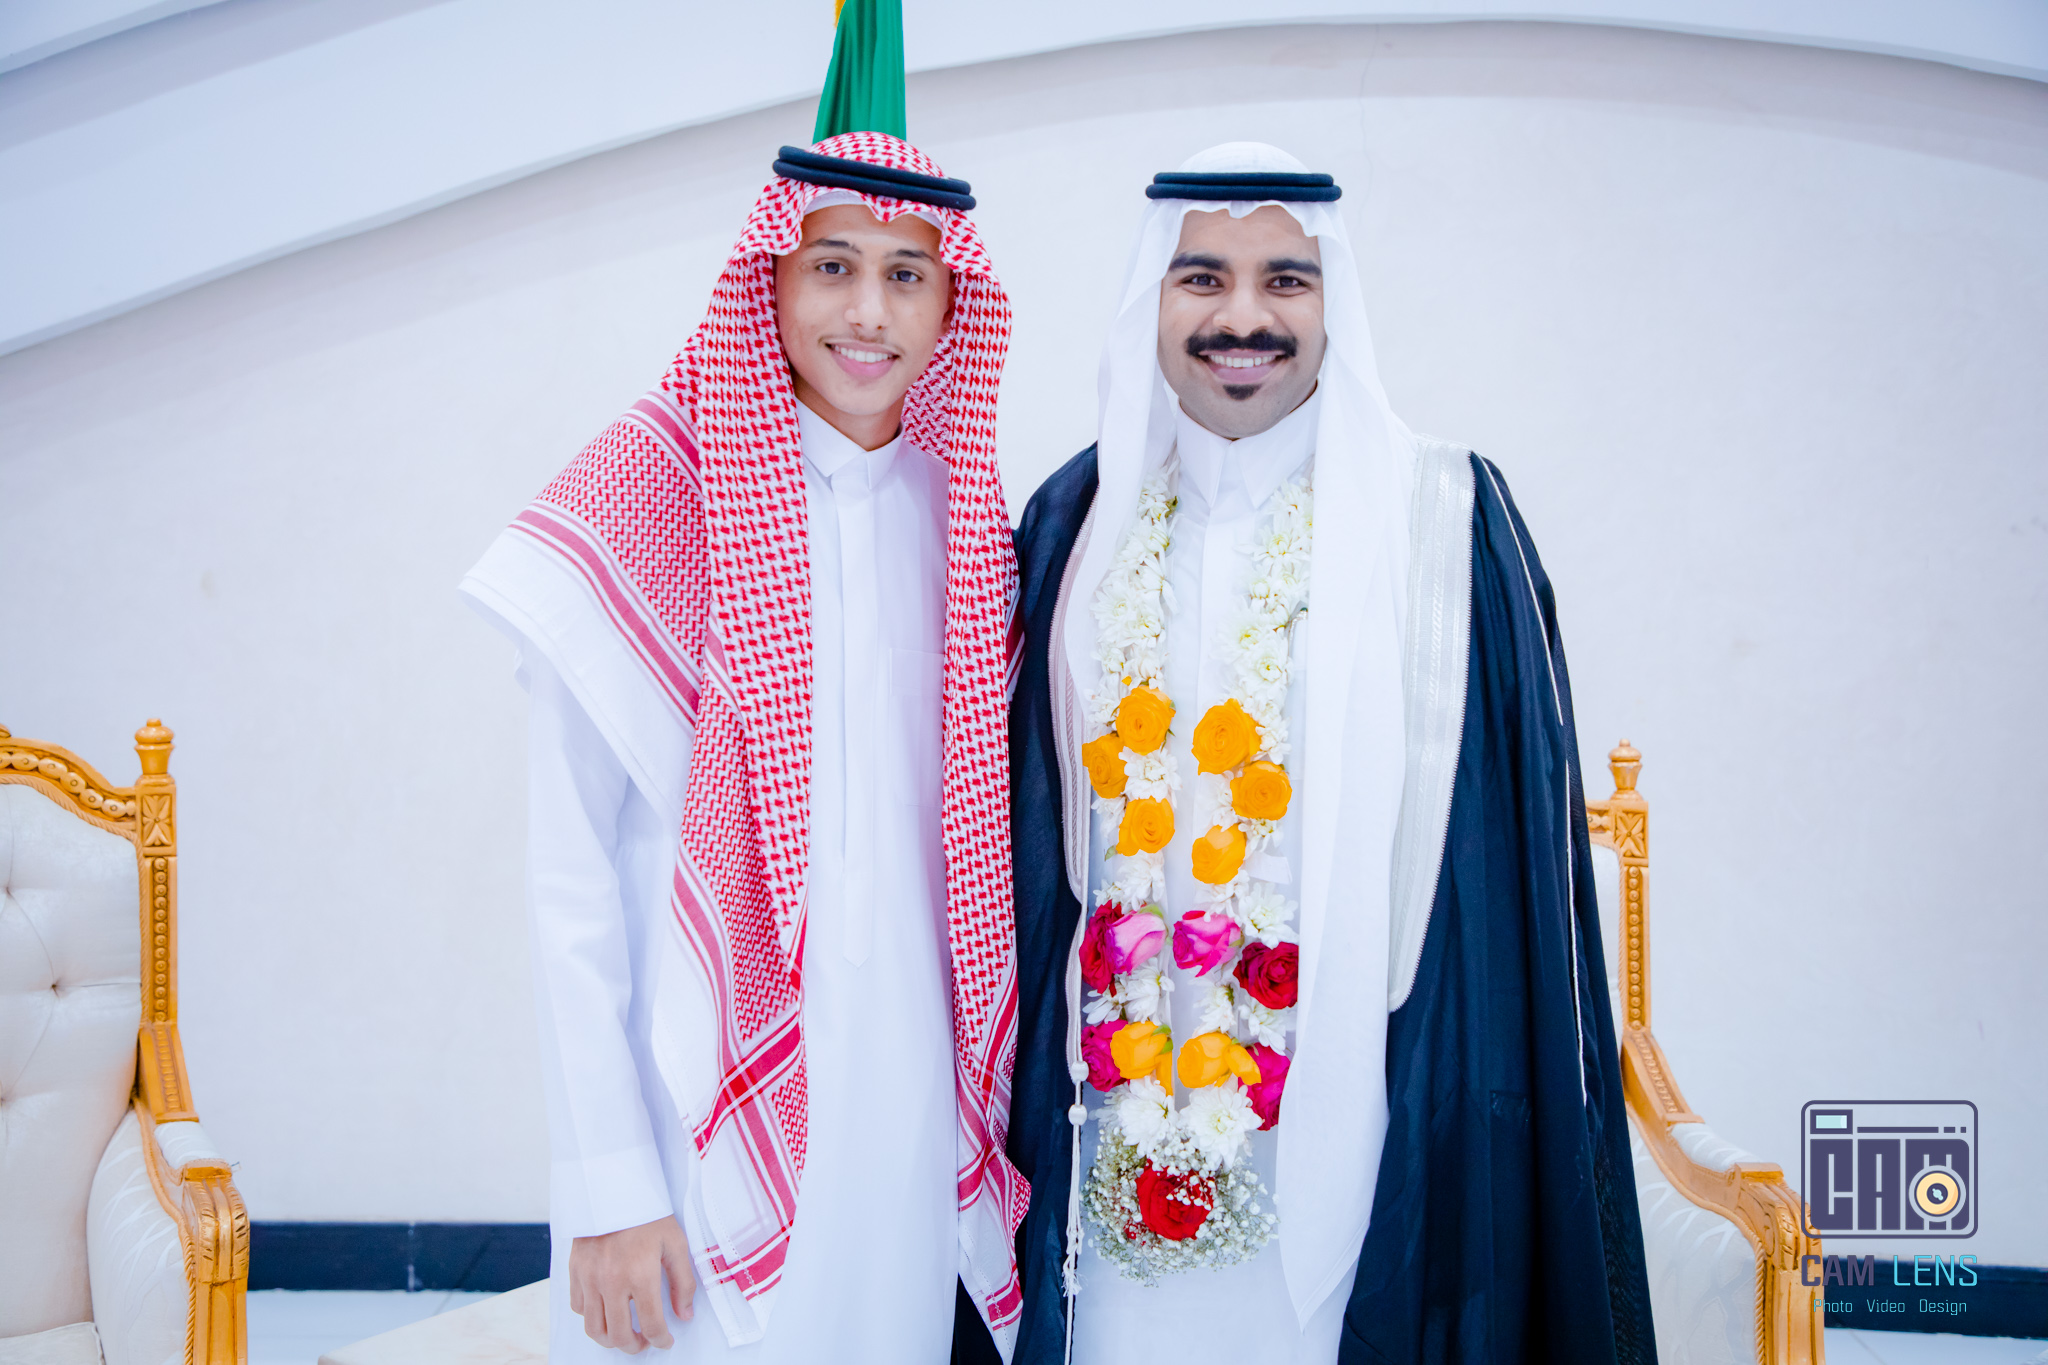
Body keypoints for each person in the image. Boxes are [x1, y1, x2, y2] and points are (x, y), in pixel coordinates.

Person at [991, 143, 1656, 1365]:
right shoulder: (1075, 522)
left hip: (1359, 1110)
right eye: (1202, 277)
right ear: (1151, 298)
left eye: (1283, 281)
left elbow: (1503, 872)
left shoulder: (1441, 523)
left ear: (1331, 299)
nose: (1241, 317)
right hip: (1112, 1117)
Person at [461, 135, 1027, 1363]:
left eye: (906, 274)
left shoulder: (966, 524)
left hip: (900, 1118)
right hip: (684, 1119)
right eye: (831, 265)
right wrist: (610, 1186)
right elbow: (568, 879)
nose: (867, 312)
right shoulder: (642, 505)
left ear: (952, 304)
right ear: (767, 278)